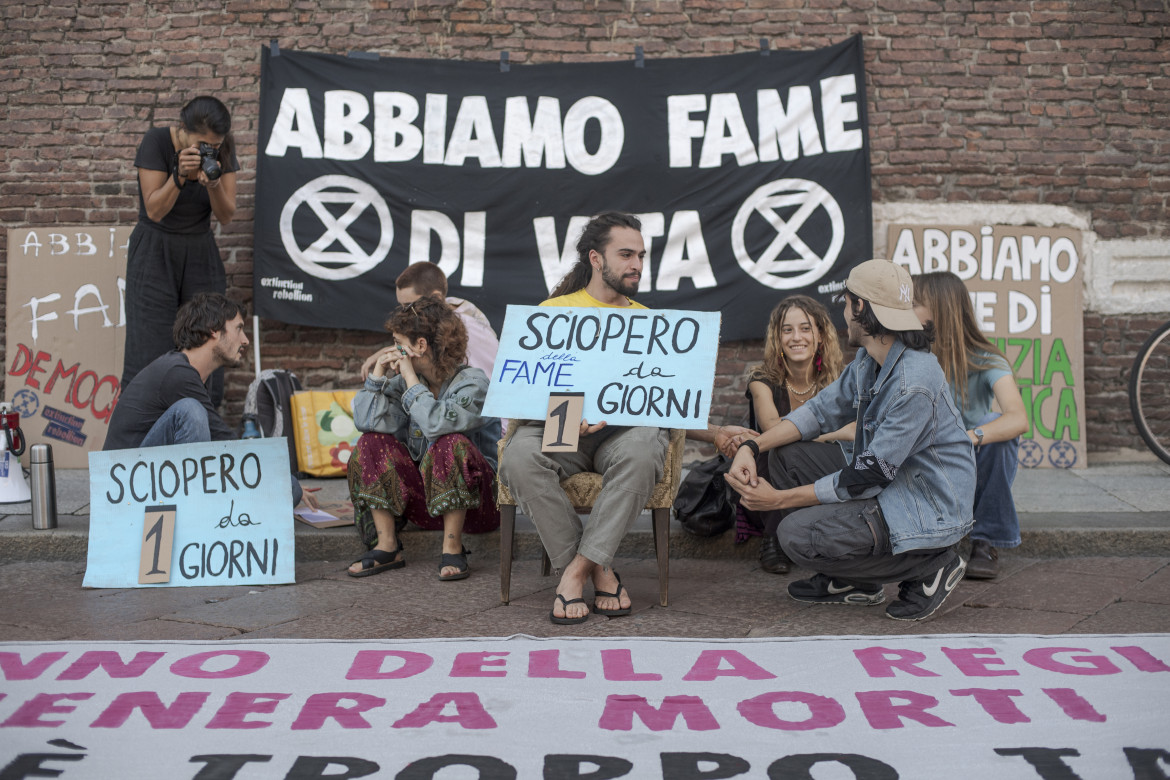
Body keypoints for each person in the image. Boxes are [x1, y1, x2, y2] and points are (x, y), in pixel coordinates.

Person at [497, 211, 751, 625]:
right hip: (561, 426)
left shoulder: (650, 322)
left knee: (644, 449)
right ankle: (600, 569)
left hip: (623, 434)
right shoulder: (553, 310)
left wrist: (717, 432)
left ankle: (575, 573)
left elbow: (664, 403)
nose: (636, 264)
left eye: (641, 256)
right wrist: (569, 411)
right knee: (518, 459)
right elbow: (524, 391)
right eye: (626, 254)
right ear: (596, 259)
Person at [725, 259, 976, 622]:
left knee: (794, 536)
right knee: (785, 456)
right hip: (894, 483)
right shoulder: (869, 358)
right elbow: (817, 413)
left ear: (860, 307)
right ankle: (853, 581)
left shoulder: (914, 382)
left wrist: (777, 500)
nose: (842, 313)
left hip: (926, 506)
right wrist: (752, 447)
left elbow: (867, 475)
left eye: (846, 303)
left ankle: (930, 566)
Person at [104, 293, 314, 508]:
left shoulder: (197, 375)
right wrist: (277, 478)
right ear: (213, 328)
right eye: (239, 328)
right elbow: (223, 443)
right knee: (191, 411)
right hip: (123, 489)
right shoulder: (177, 373)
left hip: (147, 480)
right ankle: (199, 513)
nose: (245, 340)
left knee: (289, 489)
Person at [347, 296, 501, 580]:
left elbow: (435, 424)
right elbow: (365, 422)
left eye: (397, 342)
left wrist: (409, 380)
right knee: (370, 442)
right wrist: (378, 378)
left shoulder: (475, 384)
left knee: (449, 442)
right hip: (426, 504)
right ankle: (387, 546)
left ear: (420, 345)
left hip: (479, 509)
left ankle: (453, 549)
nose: (393, 350)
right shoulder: (404, 382)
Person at [122, 96, 239, 407]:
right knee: (148, 345)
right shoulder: (156, 141)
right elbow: (154, 210)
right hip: (155, 250)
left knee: (208, 339)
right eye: (202, 144)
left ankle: (202, 427)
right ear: (183, 131)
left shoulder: (222, 149)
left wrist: (212, 185)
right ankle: (143, 434)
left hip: (200, 251)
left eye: (215, 144)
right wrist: (179, 177)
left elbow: (227, 216)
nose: (207, 151)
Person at [913, 271, 1029, 579]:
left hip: (965, 462)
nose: (906, 310)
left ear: (939, 308)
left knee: (996, 428)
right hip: (922, 464)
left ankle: (985, 540)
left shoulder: (985, 359)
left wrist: (966, 438)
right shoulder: (910, 356)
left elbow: (1018, 418)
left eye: (914, 303)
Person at [739, 295, 847, 575]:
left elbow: (855, 430)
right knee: (777, 449)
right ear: (778, 338)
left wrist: (810, 436)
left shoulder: (840, 379)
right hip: (768, 472)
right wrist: (826, 431)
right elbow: (772, 428)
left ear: (820, 336)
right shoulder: (761, 379)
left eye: (805, 328)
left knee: (799, 450)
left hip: (817, 468)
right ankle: (773, 538)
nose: (796, 337)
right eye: (787, 330)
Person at [361, 261, 500, 380]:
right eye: (402, 306)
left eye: (410, 306)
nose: (404, 313)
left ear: (437, 298)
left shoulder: (457, 327)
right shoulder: (454, 311)